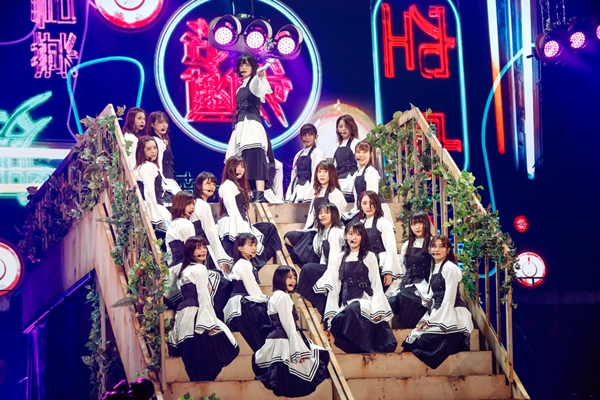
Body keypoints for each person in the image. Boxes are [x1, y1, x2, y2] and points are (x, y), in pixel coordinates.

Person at [317, 221, 397, 353]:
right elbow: (334, 289)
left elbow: (376, 285)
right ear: (345, 236)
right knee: (340, 319)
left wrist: (377, 309)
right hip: (346, 304)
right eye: (350, 234)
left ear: (362, 237)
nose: (353, 237)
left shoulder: (369, 256)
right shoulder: (338, 258)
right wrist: (331, 313)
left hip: (365, 302)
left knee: (354, 309)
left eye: (358, 234)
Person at [167, 237, 239, 381]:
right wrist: (209, 324)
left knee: (193, 359)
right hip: (197, 314)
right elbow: (204, 298)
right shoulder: (199, 269)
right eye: (198, 248)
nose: (203, 251)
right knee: (217, 352)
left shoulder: (184, 270)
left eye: (204, 247)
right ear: (190, 251)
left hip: (184, 317)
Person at [253, 265, 330, 397]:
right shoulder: (283, 297)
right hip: (284, 340)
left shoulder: (275, 296)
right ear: (279, 278)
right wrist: (298, 352)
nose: (293, 281)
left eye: (294, 277)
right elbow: (289, 326)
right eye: (289, 277)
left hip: (277, 339)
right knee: (321, 356)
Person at [402, 235, 473, 369]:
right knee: (411, 341)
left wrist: (434, 322)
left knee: (426, 342)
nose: (437, 250)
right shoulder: (434, 267)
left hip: (451, 314)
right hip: (438, 311)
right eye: (434, 246)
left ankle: (458, 341)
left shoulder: (450, 268)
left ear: (448, 250)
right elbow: (433, 301)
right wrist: (426, 320)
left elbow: (449, 299)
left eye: (441, 246)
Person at [217, 156, 282, 269]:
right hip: (231, 225)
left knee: (270, 229)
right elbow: (233, 210)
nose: (240, 169)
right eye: (237, 166)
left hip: (243, 223)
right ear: (230, 168)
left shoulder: (240, 186)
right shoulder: (227, 185)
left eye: (242, 166)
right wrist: (241, 231)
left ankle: (254, 267)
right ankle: (251, 268)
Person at [225, 53, 273, 203]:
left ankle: (260, 194)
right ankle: (246, 192)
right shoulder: (240, 87)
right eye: (241, 64)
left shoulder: (253, 82)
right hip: (241, 126)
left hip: (252, 126)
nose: (243, 67)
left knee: (257, 157)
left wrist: (260, 76)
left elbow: (258, 86)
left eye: (247, 64)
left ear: (253, 67)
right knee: (241, 160)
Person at [283, 160, 346, 266]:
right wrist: (306, 230)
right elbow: (311, 216)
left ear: (331, 173)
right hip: (314, 229)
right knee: (289, 237)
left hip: (328, 230)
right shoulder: (317, 193)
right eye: (319, 171)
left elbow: (336, 217)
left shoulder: (336, 193)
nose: (321, 174)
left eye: (325, 171)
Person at [191, 171, 233, 321]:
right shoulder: (202, 205)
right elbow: (211, 234)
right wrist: (221, 257)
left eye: (214, 183)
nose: (212, 186)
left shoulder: (194, 204)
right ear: (198, 185)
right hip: (205, 249)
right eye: (208, 183)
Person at [223, 233, 272, 351]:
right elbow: (254, 292)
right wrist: (270, 300)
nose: (254, 248)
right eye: (250, 245)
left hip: (242, 304)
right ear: (240, 248)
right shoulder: (243, 264)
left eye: (255, 245)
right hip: (241, 306)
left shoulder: (246, 263)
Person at [296, 203, 345, 316]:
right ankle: (321, 305)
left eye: (326, 213)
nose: (322, 215)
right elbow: (323, 258)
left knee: (308, 268)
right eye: (320, 213)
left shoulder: (336, 231)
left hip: (337, 269)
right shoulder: (323, 232)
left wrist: (327, 279)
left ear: (334, 214)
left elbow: (335, 258)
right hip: (328, 266)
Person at [388, 211, 433, 328]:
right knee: (390, 302)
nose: (417, 227)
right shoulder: (407, 245)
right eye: (413, 224)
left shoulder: (433, 243)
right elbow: (402, 270)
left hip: (424, 285)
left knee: (406, 297)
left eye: (420, 223)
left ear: (426, 223)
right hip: (407, 283)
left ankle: (414, 332)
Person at [357, 191, 401, 295]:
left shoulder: (384, 223)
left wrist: (388, 272)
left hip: (379, 266)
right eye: (365, 203)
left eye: (372, 203)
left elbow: (391, 250)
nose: (368, 206)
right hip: (363, 266)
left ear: (377, 204)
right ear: (360, 205)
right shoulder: (360, 224)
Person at [133, 137, 180, 233]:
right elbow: (149, 192)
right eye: (149, 149)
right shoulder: (148, 167)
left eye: (155, 147)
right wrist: (155, 218)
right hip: (154, 208)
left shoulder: (144, 166)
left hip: (153, 206)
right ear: (141, 151)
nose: (153, 151)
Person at [342, 140, 394, 224]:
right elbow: (356, 197)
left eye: (365, 152)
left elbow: (372, 196)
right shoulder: (356, 173)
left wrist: (365, 210)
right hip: (363, 209)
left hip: (374, 209)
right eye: (358, 152)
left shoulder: (371, 172)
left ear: (371, 154)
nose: (361, 155)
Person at [285, 123, 326, 204]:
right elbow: (294, 174)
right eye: (304, 135)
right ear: (301, 137)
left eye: (310, 135)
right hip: (297, 187)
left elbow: (316, 174)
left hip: (309, 188)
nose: (307, 138)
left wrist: (311, 192)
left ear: (316, 136)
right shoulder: (298, 154)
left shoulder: (317, 153)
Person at [333, 115, 360, 202]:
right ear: (337, 129)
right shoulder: (337, 145)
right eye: (341, 127)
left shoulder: (356, 143)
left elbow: (360, 164)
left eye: (346, 126)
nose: (344, 129)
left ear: (352, 126)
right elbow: (335, 165)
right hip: (339, 180)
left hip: (351, 180)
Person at [165, 191, 195, 267]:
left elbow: (169, 255)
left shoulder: (172, 225)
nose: (192, 207)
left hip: (172, 267)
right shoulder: (186, 224)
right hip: (185, 266)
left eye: (193, 204)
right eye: (188, 204)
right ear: (179, 205)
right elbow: (191, 250)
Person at [145, 111, 175, 180]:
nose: (164, 125)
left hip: (167, 175)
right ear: (152, 124)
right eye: (161, 122)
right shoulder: (155, 141)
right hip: (164, 177)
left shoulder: (162, 140)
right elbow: (158, 162)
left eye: (166, 122)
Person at [121, 107, 146, 171]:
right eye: (139, 118)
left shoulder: (134, 137)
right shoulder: (130, 137)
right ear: (131, 119)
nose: (142, 121)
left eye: (144, 119)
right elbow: (131, 160)